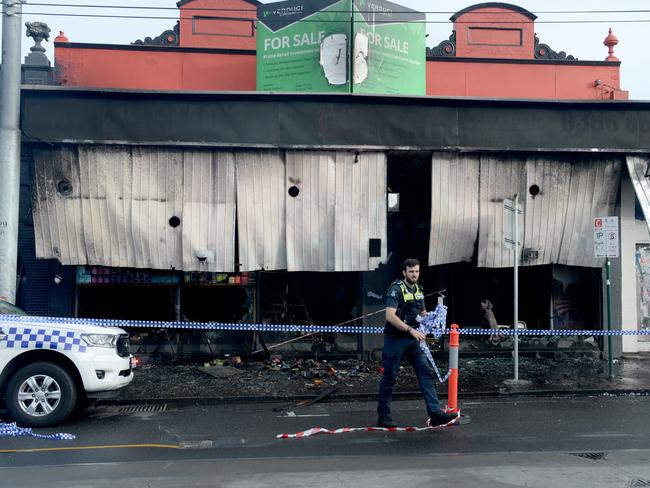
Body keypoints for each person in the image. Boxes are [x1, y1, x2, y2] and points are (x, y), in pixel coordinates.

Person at [376, 258, 459, 428]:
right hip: (396, 339)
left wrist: (434, 318)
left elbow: (422, 313)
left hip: (414, 340)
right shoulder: (396, 289)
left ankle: (435, 414)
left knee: (426, 372)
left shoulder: (419, 290)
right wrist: (410, 329)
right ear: (404, 272)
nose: (414, 274)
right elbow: (390, 316)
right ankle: (383, 416)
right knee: (389, 377)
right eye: (411, 271)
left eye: (417, 271)